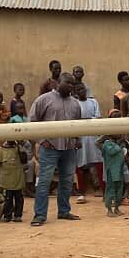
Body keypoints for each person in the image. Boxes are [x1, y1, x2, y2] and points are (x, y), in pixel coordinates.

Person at [28, 72, 82, 226]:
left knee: (67, 181)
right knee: (44, 182)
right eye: (68, 83)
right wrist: (42, 141)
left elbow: (78, 125)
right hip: (50, 147)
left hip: (69, 148)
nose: (71, 86)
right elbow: (32, 122)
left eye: (73, 84)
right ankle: (39, 215)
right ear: (58, 83)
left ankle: (64, 211)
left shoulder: (75, 103)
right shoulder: (43, 100)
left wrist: (77, 140)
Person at [74, 83, 103, 201]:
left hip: (93, 136)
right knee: (81, 164)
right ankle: (81, 191)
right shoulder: (74, 104)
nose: (82, 91)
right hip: (80, 137)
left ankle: (101, 188)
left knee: (98, 162)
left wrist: (86, 121)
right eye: (78, 90)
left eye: (83, 89)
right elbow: (74, 120)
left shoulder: (93, 102)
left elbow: (97, 117)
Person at [97, 111, 128, 217]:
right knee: (111, 188)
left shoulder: (121, 131)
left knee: (119, 187)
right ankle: (110, 209)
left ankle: (117, 208)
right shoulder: (107, 138)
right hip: (111, 167)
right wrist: (106, 150)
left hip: (120, 166)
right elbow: (99, 143)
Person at [0, 140, 26, 222]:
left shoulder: (18, 148)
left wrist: (20, 149)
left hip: (17, 177)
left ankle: (18, 215)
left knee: (19, 197)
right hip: (6, 178)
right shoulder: (1, 149)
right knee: (8, 198)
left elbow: (24, 160)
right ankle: (7, 215)